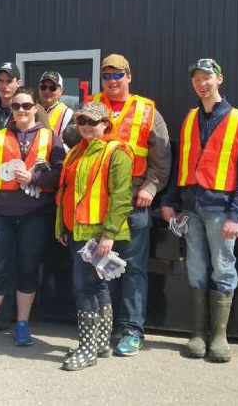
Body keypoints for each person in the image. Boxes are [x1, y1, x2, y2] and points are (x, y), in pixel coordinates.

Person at [160, 58, 238, 363]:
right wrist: (169, 201)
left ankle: (219, 336)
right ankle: (198, 333)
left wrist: (236, 215)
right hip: (190, 209)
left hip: (220, 210)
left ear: (220, 80)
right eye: (197, 80)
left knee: (223, 267)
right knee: (197, 268)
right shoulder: (189, 118)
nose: (202, 84)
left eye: (207, 78)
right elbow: (179, 165)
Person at [81, 54, 171, 356]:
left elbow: (162, 160)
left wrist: (151, 187)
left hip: (134, 202)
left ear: (128, 76)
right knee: (100, 267)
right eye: (106, 75)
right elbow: (72, 140)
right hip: (98, 201)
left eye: (117, 74)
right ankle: (103, 327)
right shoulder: (91, 105)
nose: (112, 81)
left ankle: (131, 329)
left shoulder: (148, 111)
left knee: (133, 269)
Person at [0, 87, 65, 354]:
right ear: (11, 110)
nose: (21, 110)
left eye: (26, 105)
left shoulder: (49, 137)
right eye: (16, 106)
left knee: (27, 269)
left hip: (34, 214)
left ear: (35, 108)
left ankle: (22, 323)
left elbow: (59, 174)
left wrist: (34, 178)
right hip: (0, 214)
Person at [55, 101, 133, 371]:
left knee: (84, 288)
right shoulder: (77, 151)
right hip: (77, 231)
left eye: (93, 122)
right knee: (98, 286)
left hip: (97, 233)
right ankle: (100, 343)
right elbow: (67, 193)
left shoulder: (117, 152)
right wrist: (62, 228)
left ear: (105, 124)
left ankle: (87, 350)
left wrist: (109, 234)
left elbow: (122, 197)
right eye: (82, 121)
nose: (87, 126)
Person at [38, 71, 73, 139]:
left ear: (61, 90)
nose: (47, 91)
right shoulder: (29, 108)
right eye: (43, 87)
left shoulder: (67, 113)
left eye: (52, 88)